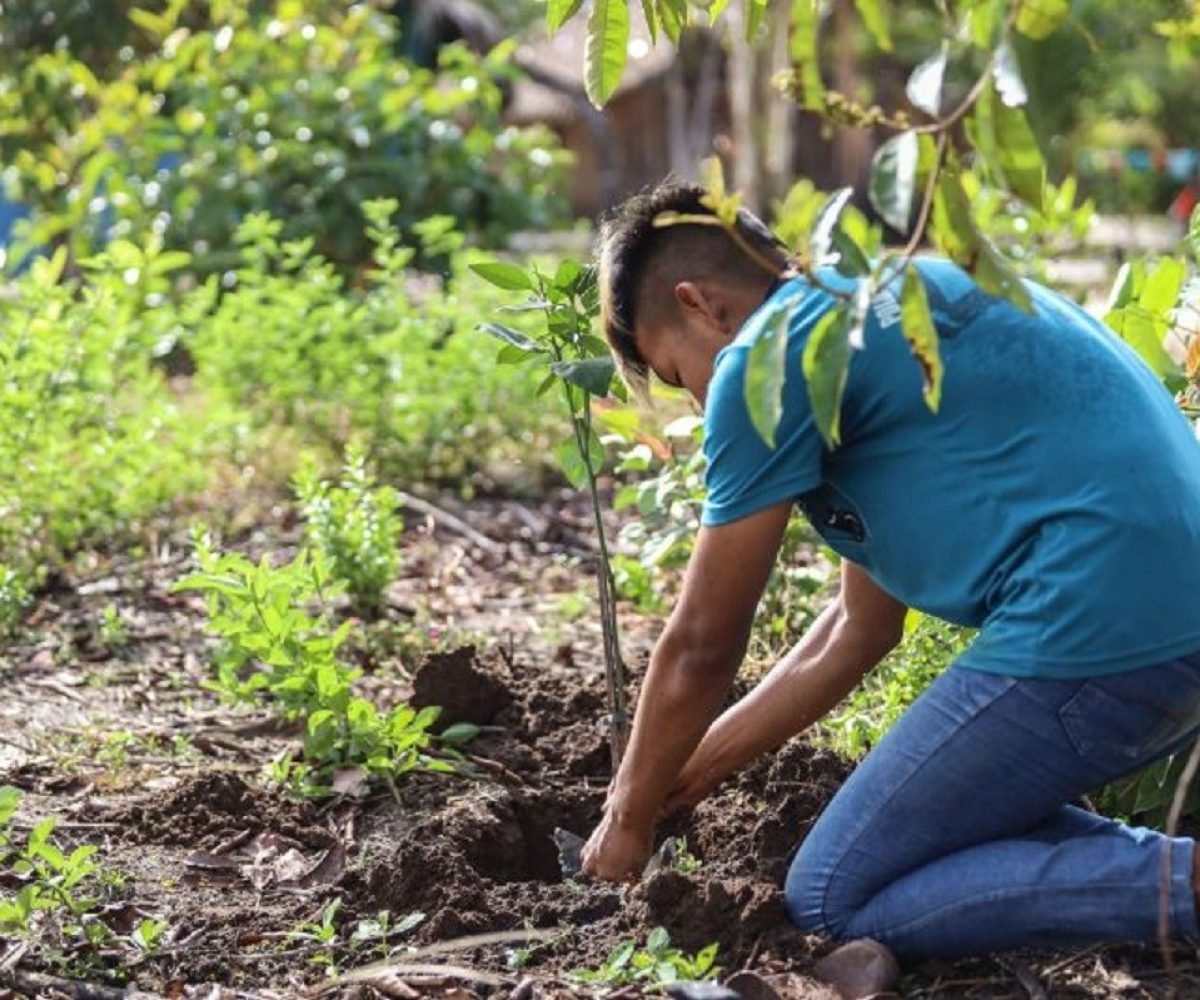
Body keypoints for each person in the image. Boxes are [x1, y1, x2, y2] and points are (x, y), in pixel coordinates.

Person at [580, 180, 1200, 993]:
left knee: (833, 894)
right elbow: (855, 629)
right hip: (1157, 613)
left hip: (1097, 622)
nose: (699, 405)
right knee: (915, 848)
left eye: (677, 373)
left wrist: (625, 819)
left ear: (702, 305)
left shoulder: (769, 358)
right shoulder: (876, 310)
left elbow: (702, 643)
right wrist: (687, 771)